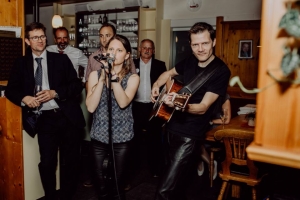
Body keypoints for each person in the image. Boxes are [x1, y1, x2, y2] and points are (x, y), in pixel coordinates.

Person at [151, 22, 231, 200]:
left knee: (164, 190)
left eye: (205, 43)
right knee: (172, 182)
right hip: (170, 127)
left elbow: (203, 108)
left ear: (214, 41)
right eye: (195, 44)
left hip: (189, 135)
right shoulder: (190, 60)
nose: (200, 49)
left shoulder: (221, 71)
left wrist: (180, 105)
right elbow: (169, 73)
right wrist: (156, 85)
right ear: (190, 45)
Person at [5, 22, 85, 200]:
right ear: (27, 41)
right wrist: (24, 98)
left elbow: (76, 85)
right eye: (35, 37)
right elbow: (11, 90)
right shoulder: (20, 64)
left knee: (70, 162)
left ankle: (67, 195)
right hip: (44, 120)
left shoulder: (61, 59)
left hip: (66, 117)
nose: (40, 40)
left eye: (42, 36)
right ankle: (50, 196)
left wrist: (54, 93)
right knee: (47, 163)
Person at [86, 34, 139, 200]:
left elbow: (123, 103)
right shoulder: (95, 75)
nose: (114, 53)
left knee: (117, 185)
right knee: (100, 185)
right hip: (99, 137)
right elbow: (91, 106)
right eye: (111, 49)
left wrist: (114, 79)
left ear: (127, 55)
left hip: (122, 138)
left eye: (119, 50)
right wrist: (102, 79)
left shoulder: (133, 78)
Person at [132, 39, 166, 178]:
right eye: (144, 48)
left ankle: (155, 169)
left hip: (153, 107)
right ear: (140, 49)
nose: (147, 50)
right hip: (135, 107)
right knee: (134, 139)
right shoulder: (131, 64)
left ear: (153, 50)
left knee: (155, 139)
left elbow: (165, 86)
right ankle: (134, 168)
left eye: (149, 48)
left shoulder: (160, 65)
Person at [197, 94, 231, 179]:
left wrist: (211, 121)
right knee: (193, 140)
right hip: (201, 125)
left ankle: (201, 159)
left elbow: (226, 120)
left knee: (197, 142)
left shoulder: (224, 96)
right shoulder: (202, 93)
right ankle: (209, 163)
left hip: (214, 128)